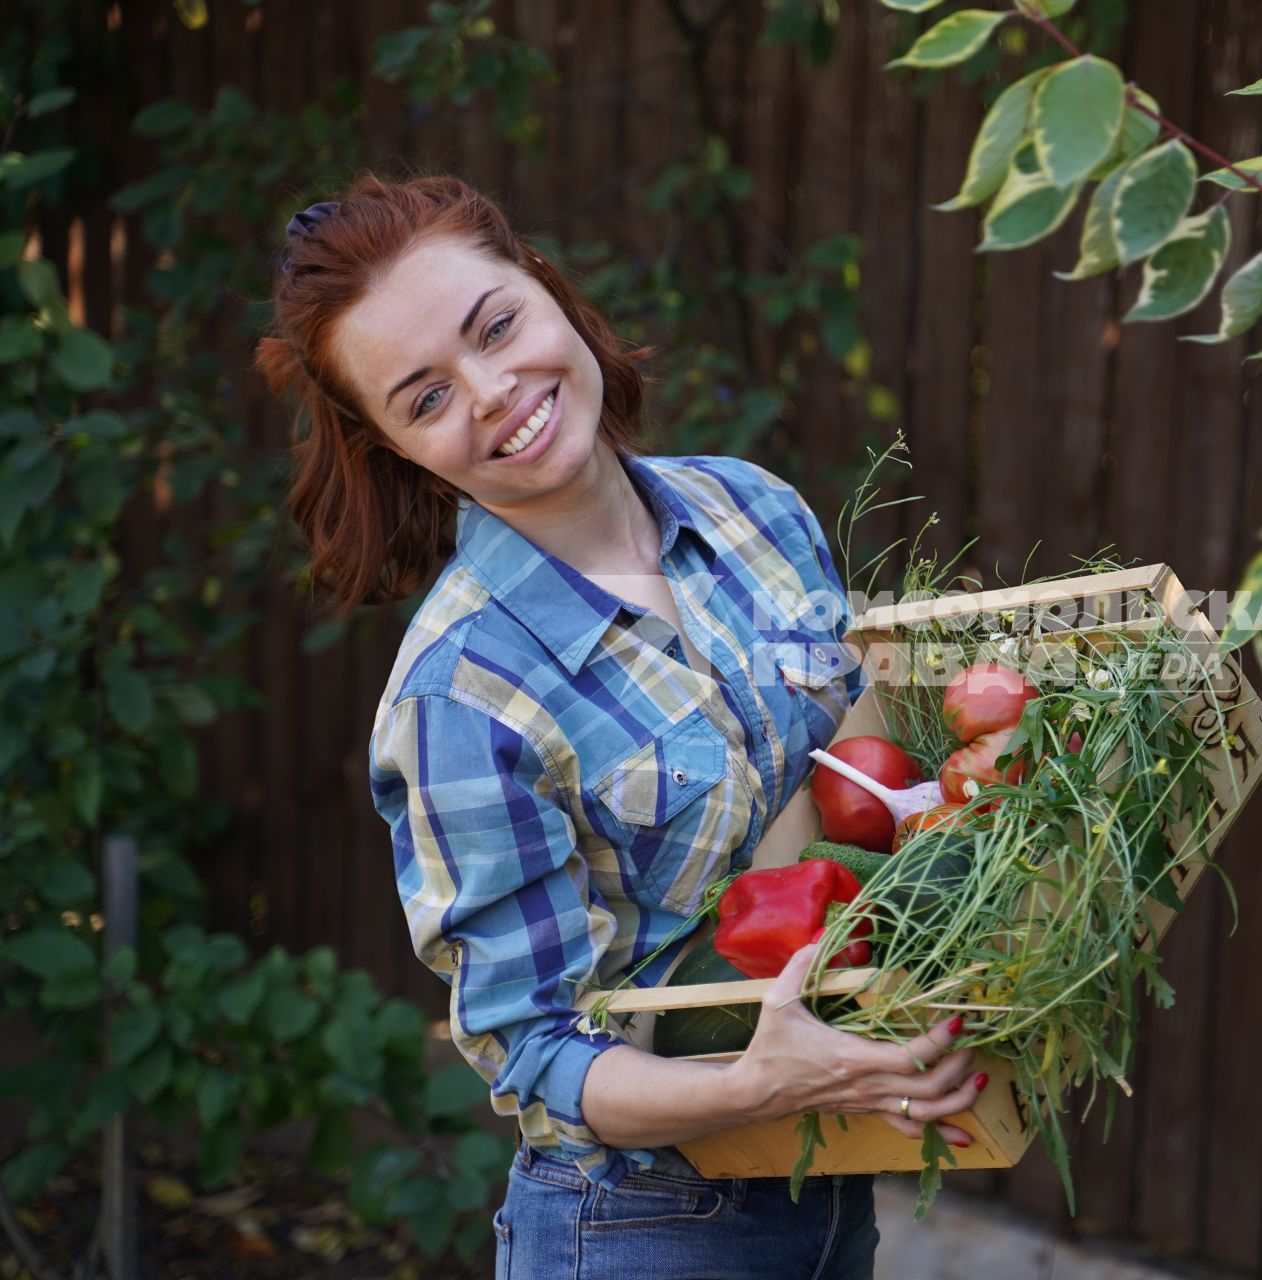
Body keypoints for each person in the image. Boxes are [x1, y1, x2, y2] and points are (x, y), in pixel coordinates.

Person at [255, 173, 983, 1279]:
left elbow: (869, 792)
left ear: (543, 283)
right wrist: (752, 1084)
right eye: (426, 397)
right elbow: (537, 1048)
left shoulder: (755, 513)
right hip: (640, 1228)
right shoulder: (461, 694)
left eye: (495, 325)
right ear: (396, 446)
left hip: (833, 1183)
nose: (494, 390)